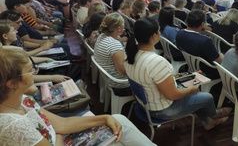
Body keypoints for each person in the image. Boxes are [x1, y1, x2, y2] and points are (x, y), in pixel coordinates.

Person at [0, 48, 156, 146]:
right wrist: (59, 135)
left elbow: (61, 124)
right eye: (30, 70)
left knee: (117, 120)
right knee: (121, 136)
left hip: (59, 138)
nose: (35, 72)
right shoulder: (12, 124)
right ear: (12, 83)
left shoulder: (22, 100)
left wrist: (103, 118)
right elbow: (59, 130)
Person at [124, 17, 230, 130]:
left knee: (195, 95)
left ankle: (208, 121)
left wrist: (170, 77)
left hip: (145, 105)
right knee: (206, 97)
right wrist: (191, 89)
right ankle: (214, 114)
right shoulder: (156, 61)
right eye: (159, 31)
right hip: (161, 110)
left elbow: (148, 77)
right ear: (154, 36)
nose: (160, 33)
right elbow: (172, 95)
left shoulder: (130, 54)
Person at [176, 10, 224, 80]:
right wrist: (221, 55)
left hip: (191, 66)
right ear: (202, 24)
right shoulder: (205, 41)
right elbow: (219, 62)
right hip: (205, 72)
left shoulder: (179, 33)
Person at [94, 13, 132, 96]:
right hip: (121, 85)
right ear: (119, 29)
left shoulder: (101, 36)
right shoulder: (113, 44)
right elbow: (124, 72)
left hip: (110, 79)